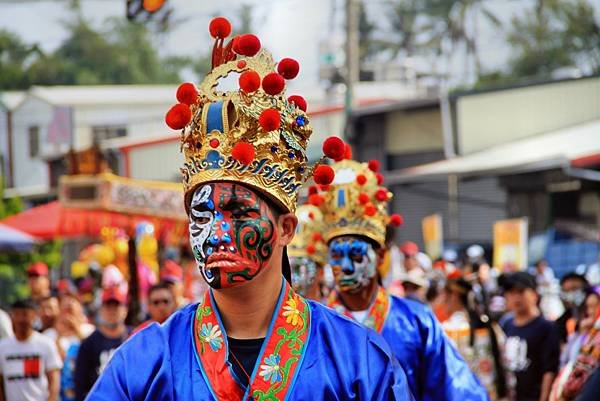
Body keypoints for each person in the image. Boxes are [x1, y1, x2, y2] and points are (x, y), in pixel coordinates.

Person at [85, 17, 411, 401]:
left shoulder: (358, 359)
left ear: (286, 228)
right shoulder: (144, 361)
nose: (217, 233)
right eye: (202, 216)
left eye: (239, 212)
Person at [318, 158, 488, 401]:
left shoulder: (416, 321)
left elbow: (456, 389)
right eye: (336, 256)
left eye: (356, 255)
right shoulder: (314, 325)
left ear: (379, 255)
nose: (345, 266)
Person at [442, 277, 514, 401]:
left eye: (444, 295)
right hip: (491, 394)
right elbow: (506, 361)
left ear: (454, 295)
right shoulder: (490, 325)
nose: (443, 300)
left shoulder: (448, 329)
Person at [500, 272, 560, 401]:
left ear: (534, 294)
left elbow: (549, 370)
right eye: (511, 292)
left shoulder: (546, 327)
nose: (516, 297)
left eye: (521, 292)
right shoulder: (506, 324)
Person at [74, 287, 129, 401]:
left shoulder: (134, 338)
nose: (112, 311)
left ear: (125, 310)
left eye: (116, 306)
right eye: (108, 307)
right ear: (101, 310)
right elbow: (80, 382)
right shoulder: (89, 343)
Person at [0, 298, 62, 401]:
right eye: (17, 314)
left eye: (25, 314)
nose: (21, 319)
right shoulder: (3, 347)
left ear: (34, 315)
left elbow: (54, 378)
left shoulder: (46, 344)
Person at [287, 204, 328, 302]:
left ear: (320, 273)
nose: (292, 278)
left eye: (299, 268)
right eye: (288, 270)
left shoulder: (336, 313)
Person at [556, 273, 589, 344]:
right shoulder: (561, 324)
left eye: (575, 289)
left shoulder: (595, 318)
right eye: (567, 291)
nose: (571, 294)